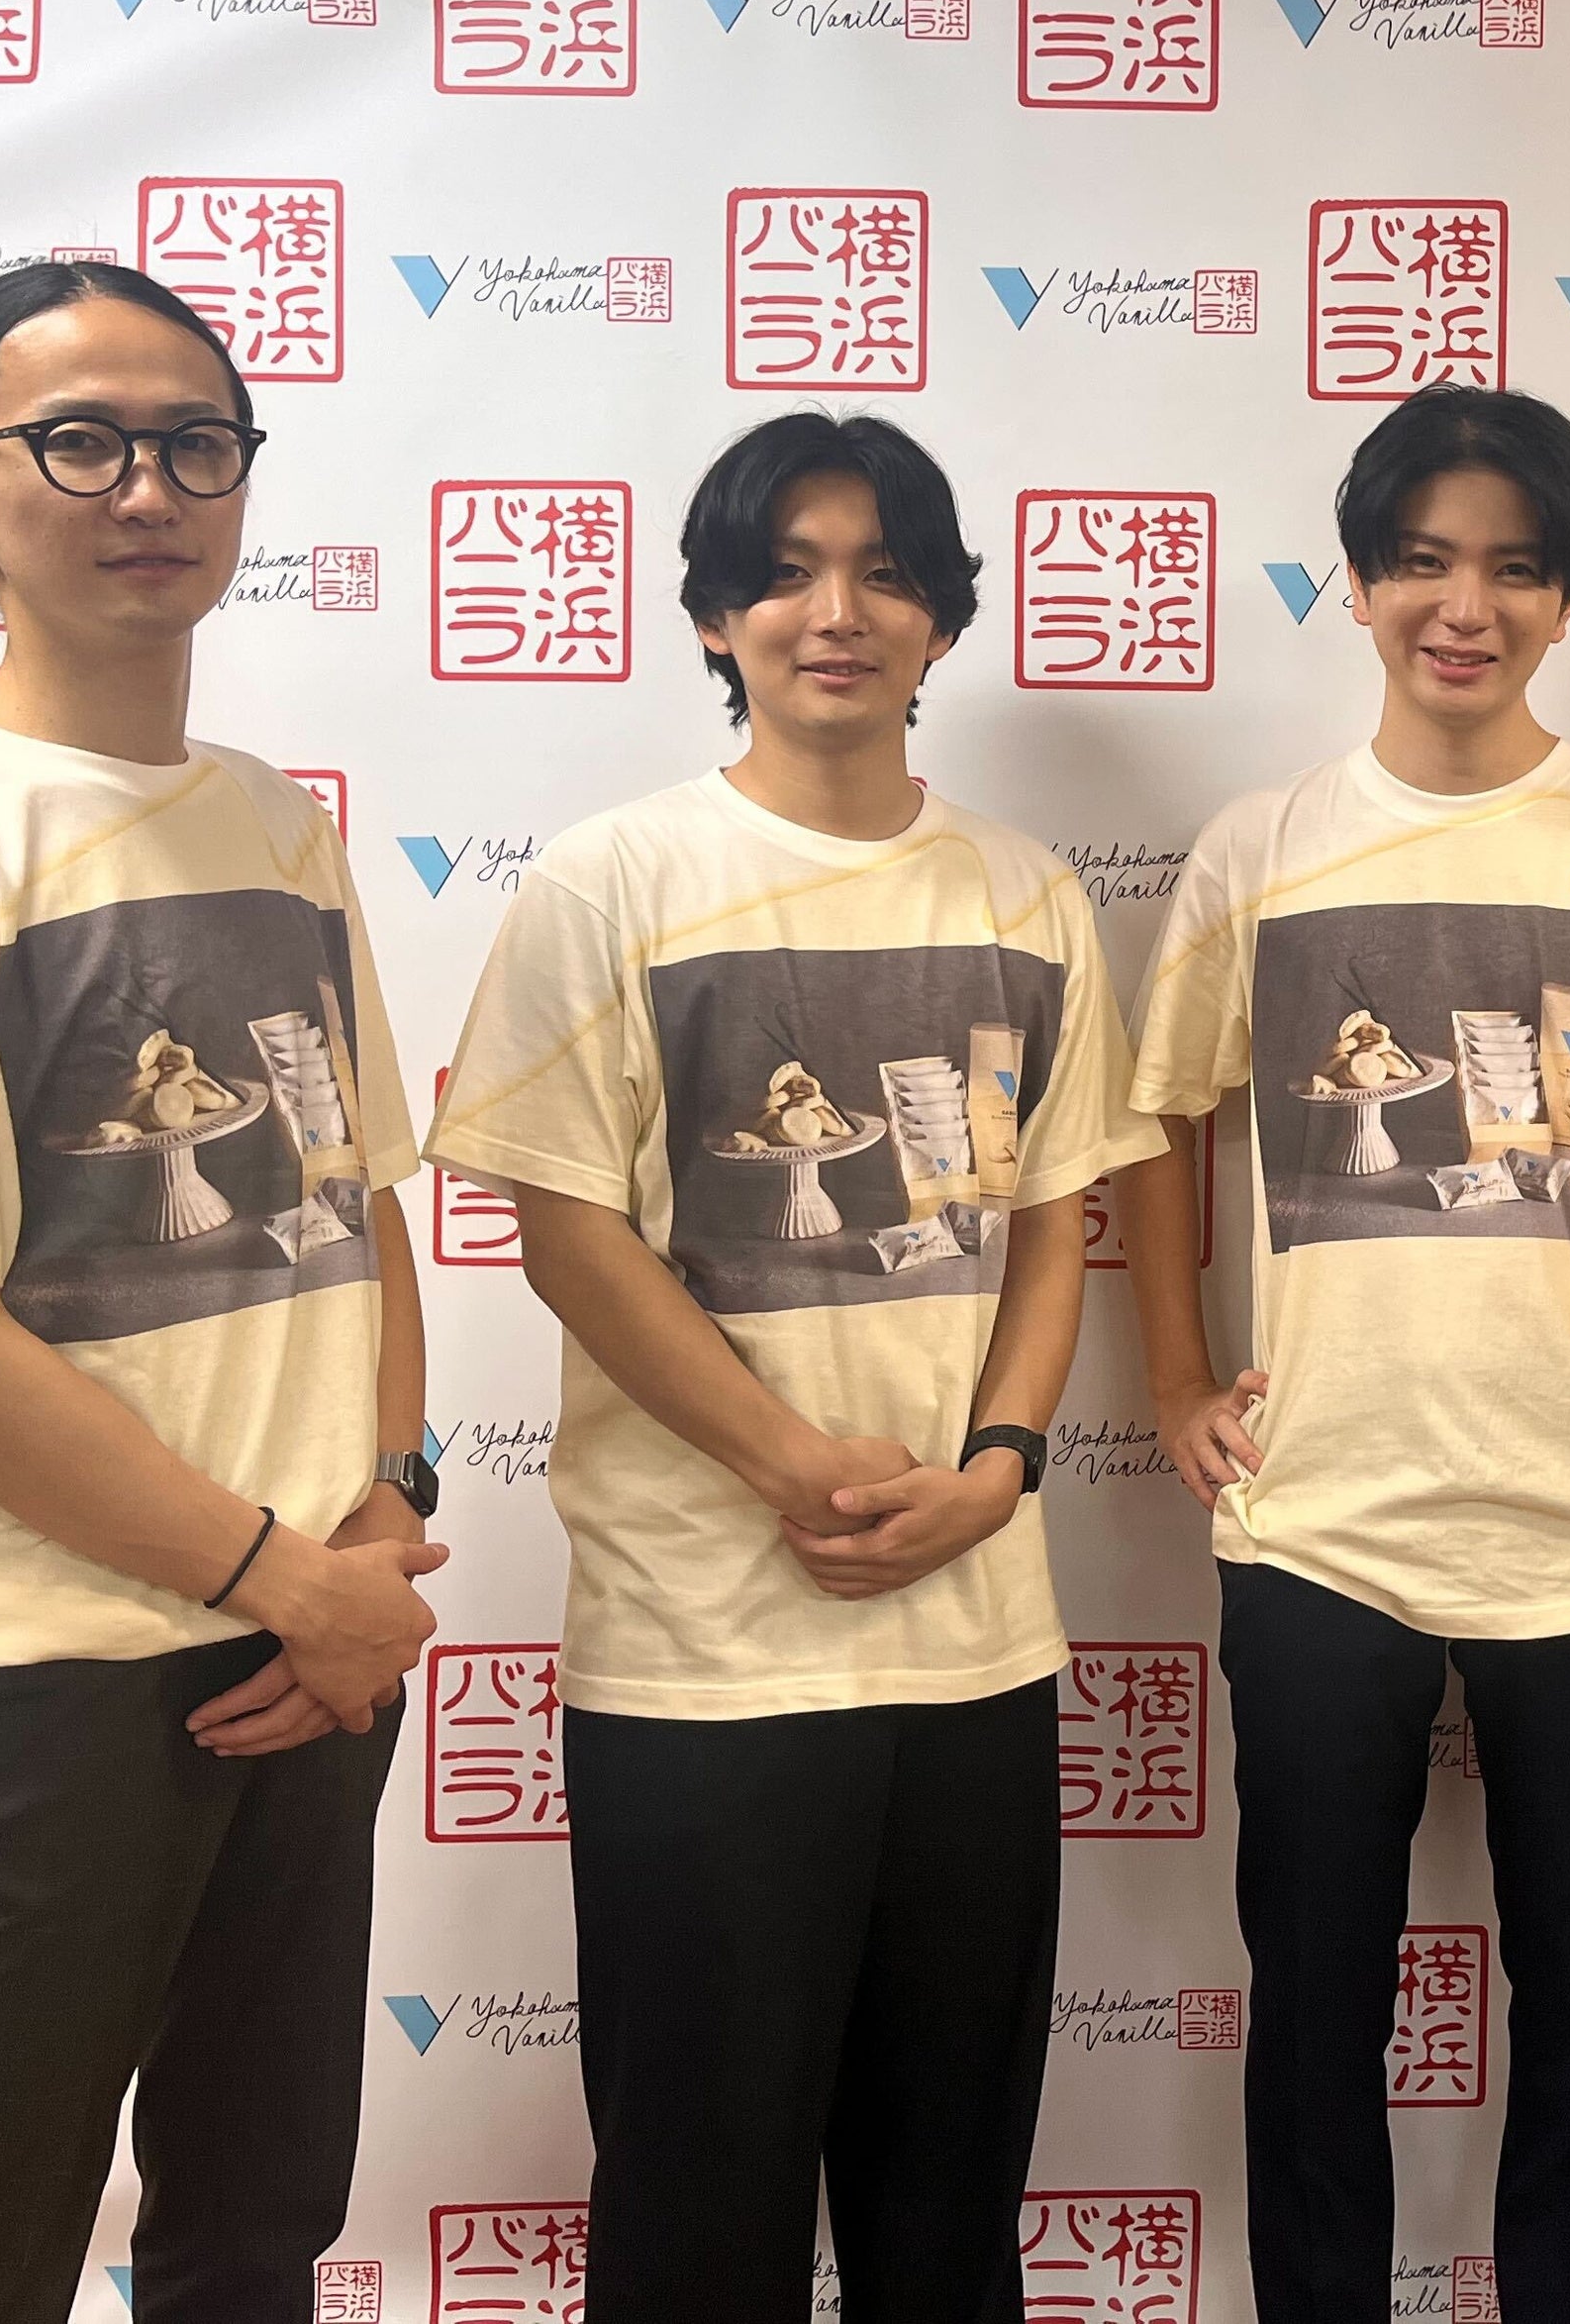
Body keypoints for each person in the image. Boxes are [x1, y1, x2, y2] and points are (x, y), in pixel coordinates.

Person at [0, 260, 442, 2323]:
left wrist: (377, 1512)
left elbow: (358, 1205)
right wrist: (278, 1570)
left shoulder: (276, 826)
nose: (147, 489)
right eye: (80, 442)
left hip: (308, 1647)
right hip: (39, 1678)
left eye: (195, 442)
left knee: (255, 2229)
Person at [429, 412, 1162, 2322]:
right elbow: (568, 1230)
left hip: (973, 1639)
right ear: (714, 616)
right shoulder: (610, 879)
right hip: (704, 1645)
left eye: (885, 572)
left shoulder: (1028, 894)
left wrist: (1000, 1466)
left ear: (943, 621)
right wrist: (782, 1460)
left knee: (949, 2202)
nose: (836, 612)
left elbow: (1051, 1225)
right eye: (786, 572)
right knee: (699, 2201)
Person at [1115, 386, 1570, 2324]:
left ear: (1568, 591)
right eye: (1421, 559)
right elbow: (1159, 1114)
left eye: (1512, 565)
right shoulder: (1262, 847)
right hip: (1316, 1509)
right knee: (1312, 1998)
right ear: (1358, 583)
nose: (1464, 605)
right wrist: (1175, 1375)